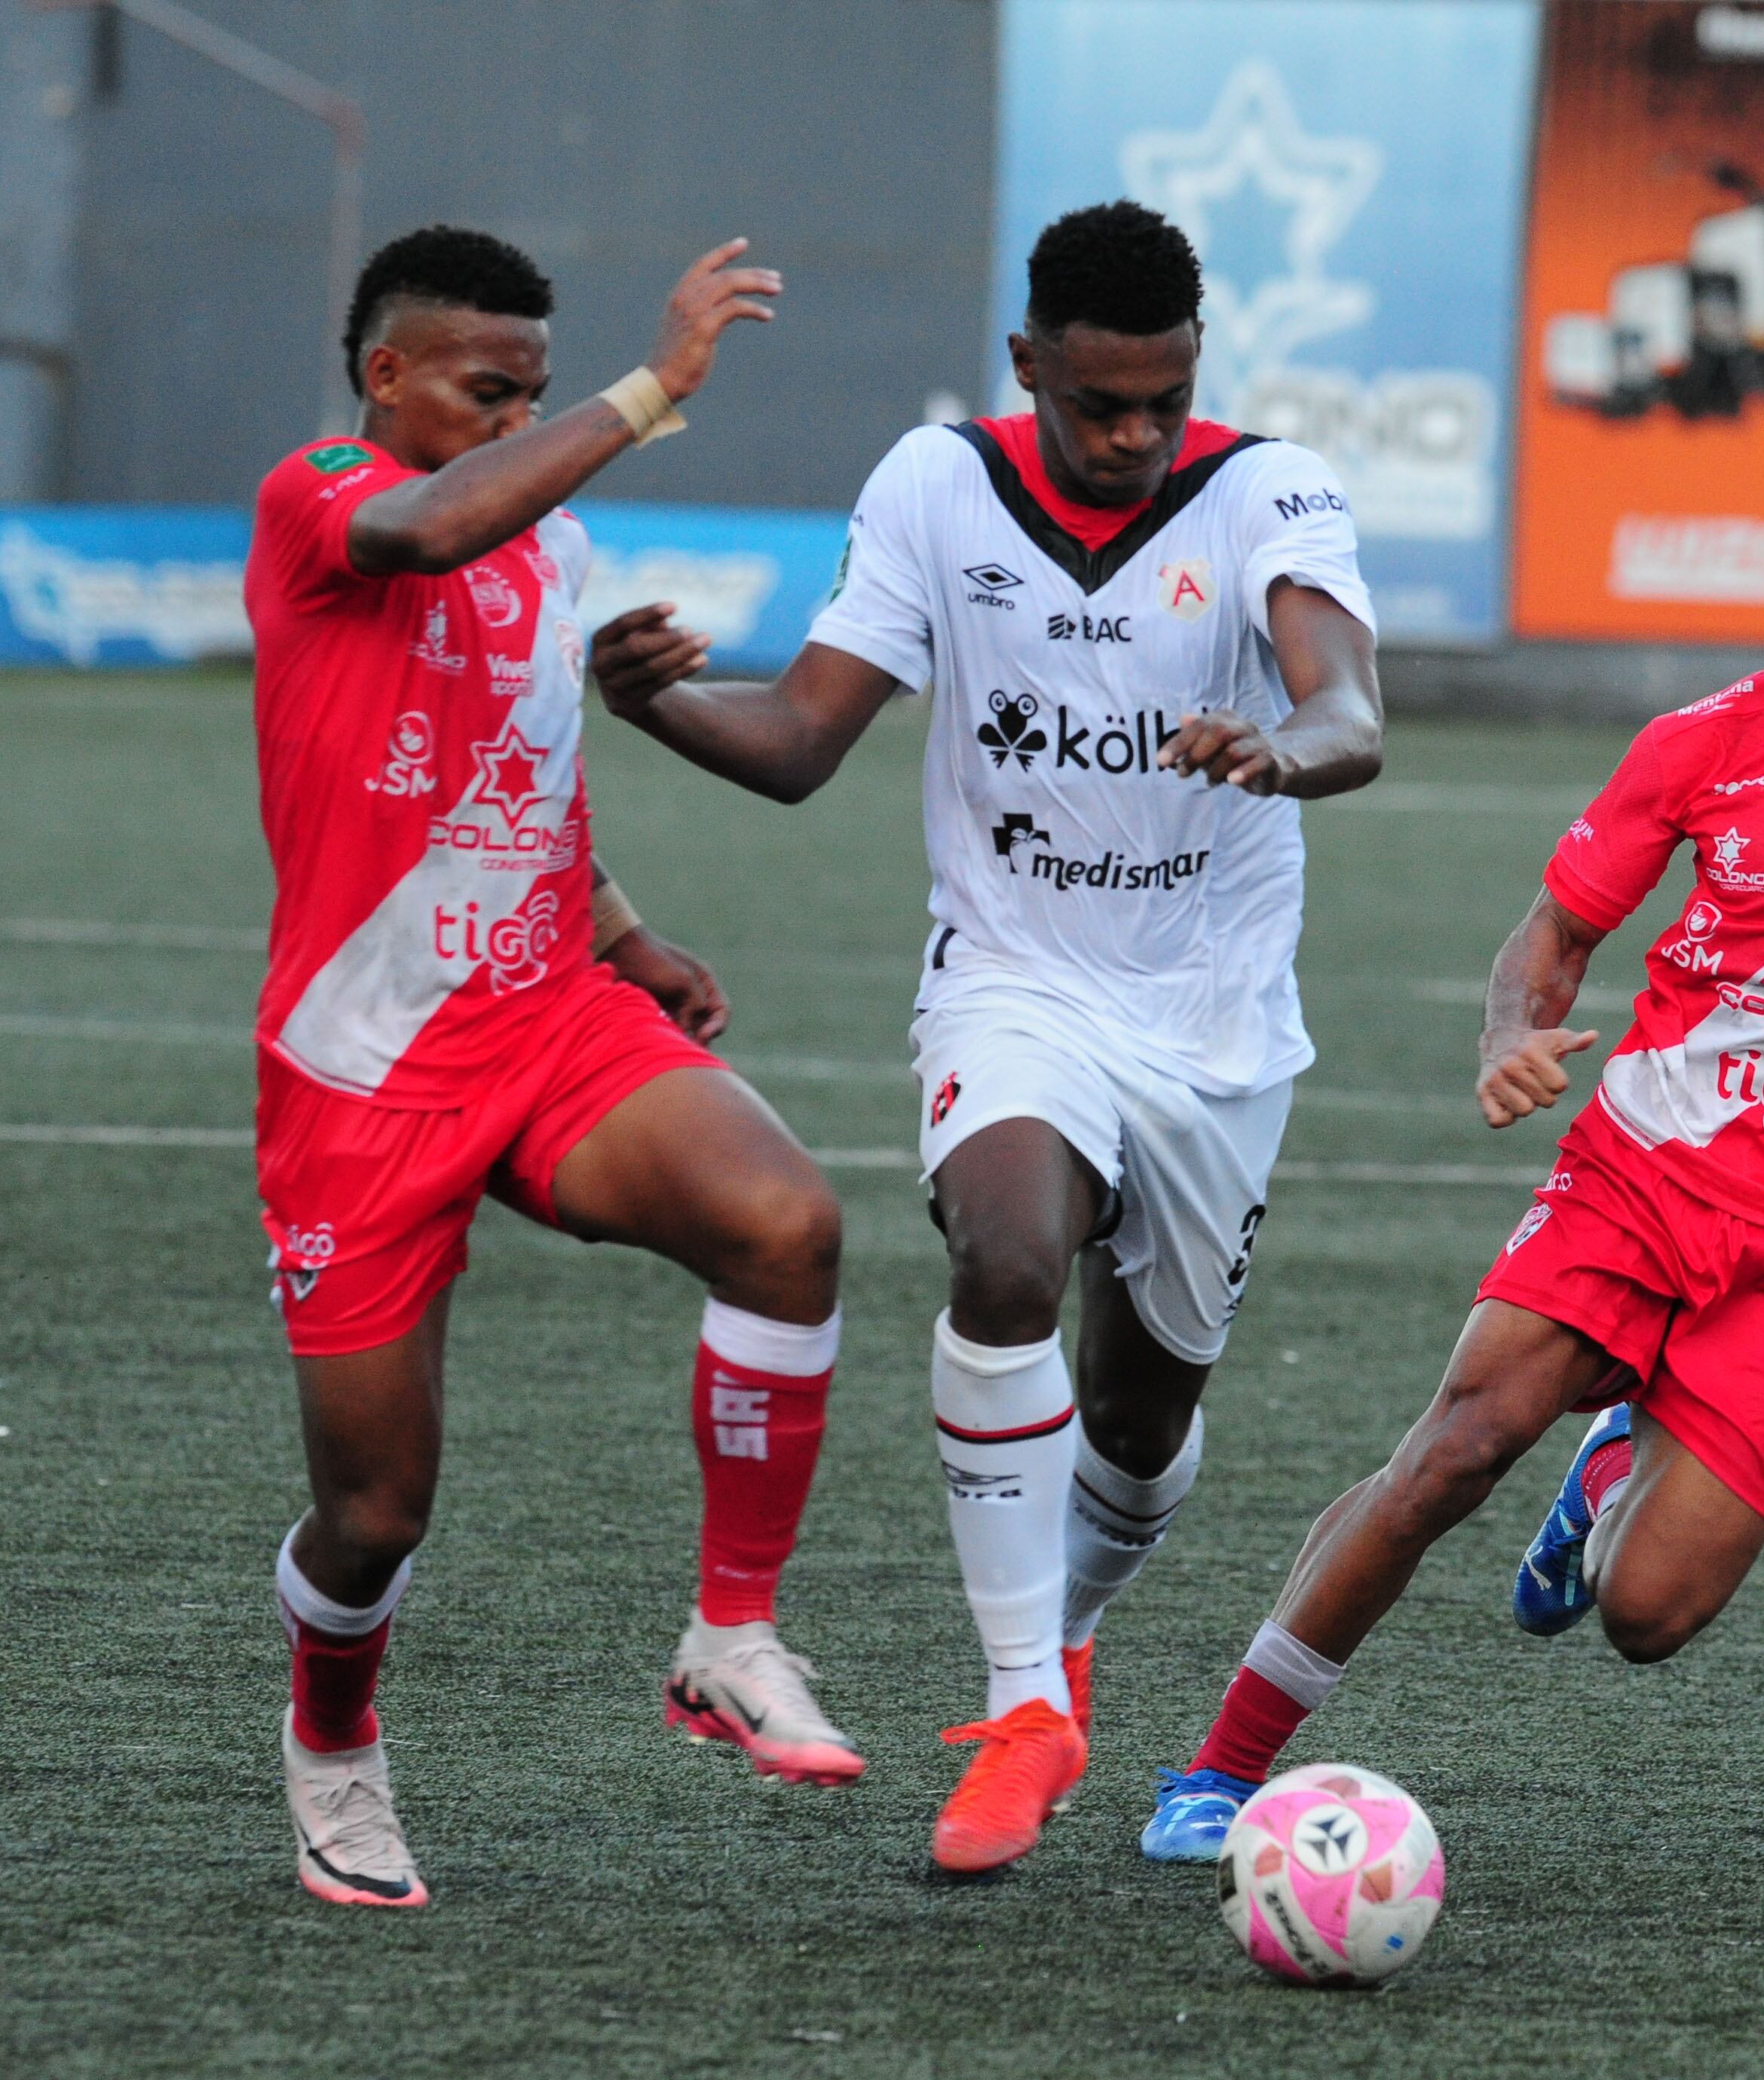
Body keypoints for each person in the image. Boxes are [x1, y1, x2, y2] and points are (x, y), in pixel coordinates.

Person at [1141, 435, 1764, 1859]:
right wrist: (1507, 1037)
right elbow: (1554, 931)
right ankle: (1218, 1774)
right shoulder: (1699, 742)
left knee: (1649, 1617)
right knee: (1456, 1450)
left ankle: (1612, 1461)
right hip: (1643, 1172)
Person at [592, 201, 1384, 1873]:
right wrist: (649, 701)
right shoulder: (936, 485)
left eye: (1164, 400)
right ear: (1025, 364)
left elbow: (1349, 709)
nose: (1135, 434)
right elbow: (800, 740)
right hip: (1012, 985)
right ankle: (1026, 1708)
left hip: (1215, 1028)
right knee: (1006, 1257)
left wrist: (1283, 750)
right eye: (1100, 404)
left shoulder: (1269, 488)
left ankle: (1067, 1634)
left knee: (1140, 1433)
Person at [250, 225, 865, 1912]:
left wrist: (624, 933)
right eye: (486, 391)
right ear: (385, 377)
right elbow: (425, 526)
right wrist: (652, 386)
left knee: (787, 1227)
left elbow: (515, 768)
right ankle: (334, 1742)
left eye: (533, 392)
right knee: (376, 1516)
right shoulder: (322, 496)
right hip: (367, 1069)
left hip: (545, 1017)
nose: (517, 421)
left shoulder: (551, 542)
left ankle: (729, 1635)